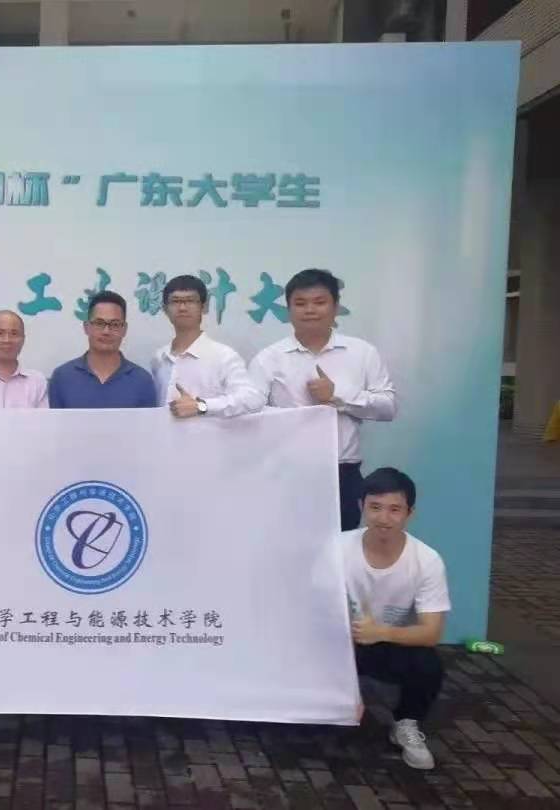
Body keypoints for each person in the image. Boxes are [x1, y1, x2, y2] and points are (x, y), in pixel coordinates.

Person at [249, 268, 396, 530]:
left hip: (343, 472)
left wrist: (338, 397)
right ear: (288, 309)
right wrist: (290, 417)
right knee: (285, 545)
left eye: (319, 302)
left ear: (335, 307)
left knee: (341, 546)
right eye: (300, 303)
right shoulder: (268, 359)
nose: (310, 310)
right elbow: (250, 413)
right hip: (287, 472)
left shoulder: (362, 353)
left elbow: (388, 407)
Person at [341, 467, 449, 770]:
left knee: (427, 665)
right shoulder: (336, 548)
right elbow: (311, 608)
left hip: (385, 642)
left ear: (409, 513)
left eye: (394, 509)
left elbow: (431, 632)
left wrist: (380, 632)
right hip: (337, 641)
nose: (383, 518)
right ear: (361, 506)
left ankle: (406, 724)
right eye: (375, 507)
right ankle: (322, 706)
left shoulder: (426, 560)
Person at [151, 275, 264, 419]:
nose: (182, 307)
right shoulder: (159, 358)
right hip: (162, 433)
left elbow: (252, 399)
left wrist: (202, 406)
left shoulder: (224, 356)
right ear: (165, 309)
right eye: (175, 301)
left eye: (190, 301)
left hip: (206, 434)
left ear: (204, 307)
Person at [48, 291, 156, 409]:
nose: (106, 331)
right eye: (99, 323)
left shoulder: (142, 380)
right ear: (86, 327)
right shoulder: (62, 377)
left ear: (124, 329)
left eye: (115, 324)